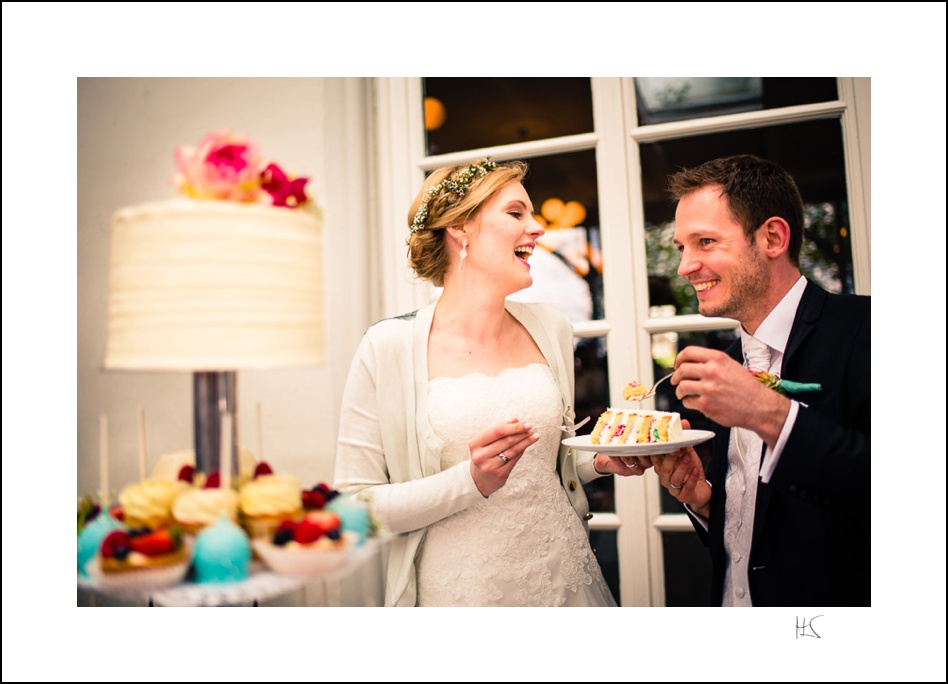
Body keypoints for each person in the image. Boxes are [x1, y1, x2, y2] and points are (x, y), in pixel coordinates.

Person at [333, 158, 633, 607]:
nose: (537, 229)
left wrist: (600, 460)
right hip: (463, 593)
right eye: (516, 213)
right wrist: (469, 481)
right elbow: (353, 508)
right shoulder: (387, 346)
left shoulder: (551, 328)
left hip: (567, 580)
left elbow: (547, 470)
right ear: (460, 229)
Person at [634, 154, 870, 607]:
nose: (685, 265)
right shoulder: (727, 363)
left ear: (773, 237)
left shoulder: (868, 330)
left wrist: (771, 414)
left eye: (705, 241)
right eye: (683, 247)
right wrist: (706, 504)